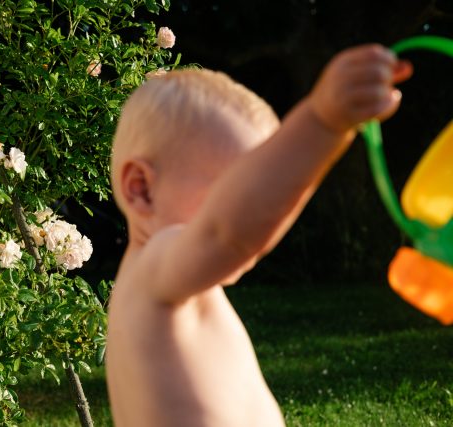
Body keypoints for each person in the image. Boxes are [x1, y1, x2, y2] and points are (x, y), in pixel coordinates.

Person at [105, 43, 413, 427]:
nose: (261, 209)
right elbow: (226, 232)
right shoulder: (153, 270)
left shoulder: (178, 285)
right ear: (142, 190)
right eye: (233, 190)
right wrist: (322, 122)